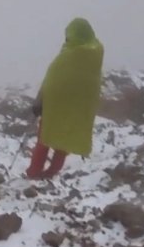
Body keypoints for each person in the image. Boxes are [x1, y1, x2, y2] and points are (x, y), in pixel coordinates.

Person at [26, 18, 104, 179]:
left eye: (69, 36)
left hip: (55, 106)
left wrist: (39, 101)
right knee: (64, 139)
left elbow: (52, 81)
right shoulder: (94, 55)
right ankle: (51, 172)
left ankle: (34, 172)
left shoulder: (69, 55)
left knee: (45, 138)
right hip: (77, 107)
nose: (66, 40)